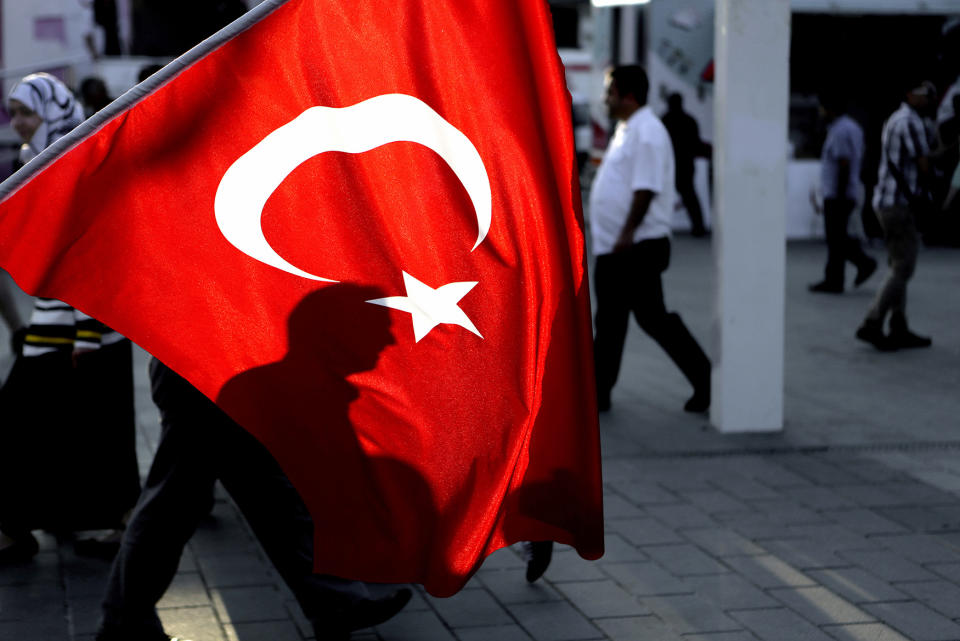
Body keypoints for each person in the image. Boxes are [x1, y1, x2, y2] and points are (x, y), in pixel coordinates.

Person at [96, 286, 412, 641]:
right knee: (176, 504)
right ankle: (123, 622)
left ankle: (335, 603)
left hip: (217, 365)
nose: (386, 340)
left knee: (263, 497)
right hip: (203, 371)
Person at [0, 73, 141, 563]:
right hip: (56, 319)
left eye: (26, 113)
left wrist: (86, 331)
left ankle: (116, 524)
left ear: (53, 112)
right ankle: (31, 524)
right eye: (13, 113)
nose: (18, 124)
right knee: (67, 425)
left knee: (94, 427)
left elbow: (92, 249)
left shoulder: (75, 159)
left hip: (89, 323)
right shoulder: (35, 162)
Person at [590, 65, 711, 413]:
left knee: (650, 319)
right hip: (619, 246)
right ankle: (600, 393)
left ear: (628, 96)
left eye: (609, 92)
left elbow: (645, 188)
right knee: (613, 321)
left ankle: (704, 378)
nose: (605, 99)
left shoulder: (648, 132)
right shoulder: (627, 129)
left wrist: (626, 233)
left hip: (635, 246)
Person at [856, 81, 935, 351]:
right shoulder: (910, 121)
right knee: (903, 267)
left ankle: (899, 327)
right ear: (910, 94)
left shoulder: (895, 119)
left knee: (898, 265)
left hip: (886, 203)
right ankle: (872, 322)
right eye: (924, 95)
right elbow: (924, 165)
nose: (928, 100)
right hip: (898, 205)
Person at [808, 91, 877, 294]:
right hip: (845, 191)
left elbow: (843, 163)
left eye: (823, 107)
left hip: (839, 193)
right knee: (837, 237)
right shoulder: (851, 127)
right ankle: (841, 274)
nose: (821, 112)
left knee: (835, 237)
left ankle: (847, 272)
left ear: (831, 109)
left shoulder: (840, 131)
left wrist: (839, 195)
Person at [661, 93, 708, 237]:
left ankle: (657, 228)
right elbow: (696, 143)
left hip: (671, 165)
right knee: (690, 196)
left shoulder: (665, 120)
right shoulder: (688, 120)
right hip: (685, 164)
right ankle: (698, 227)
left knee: (661, 197)